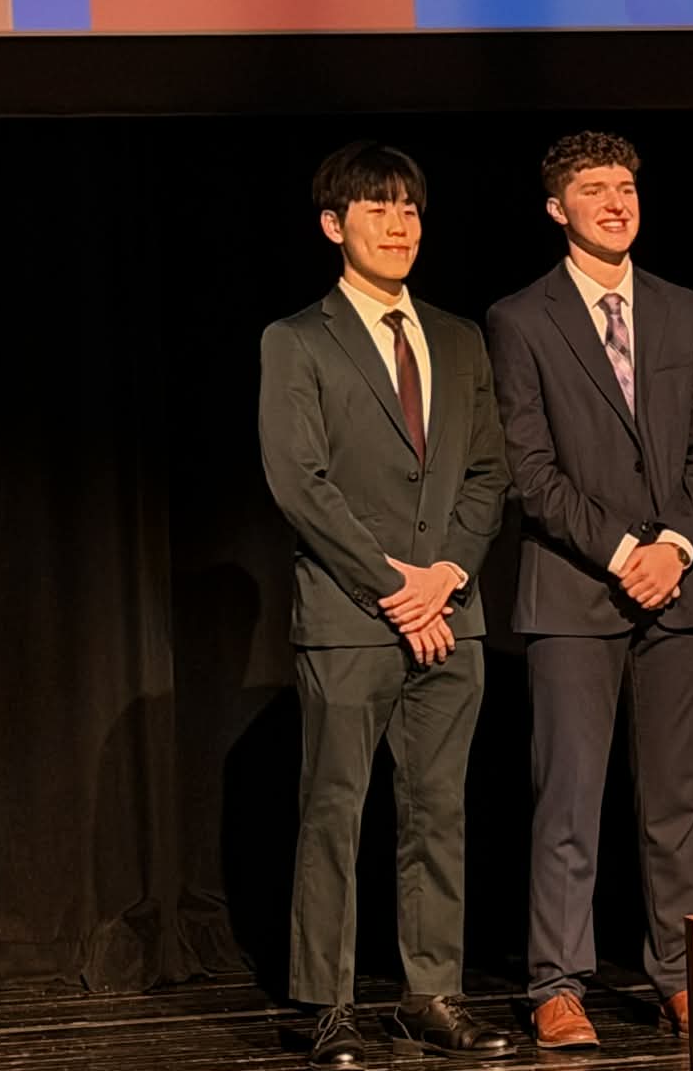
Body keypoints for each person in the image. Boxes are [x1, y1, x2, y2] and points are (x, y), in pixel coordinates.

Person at [258, 141, 513, 1066]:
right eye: (376, 208)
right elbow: (299, 481)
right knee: (336, 809)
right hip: (349, 618)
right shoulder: (297, 340)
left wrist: (446, 574)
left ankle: (430, 992)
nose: (398, 225)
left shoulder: (456, 335)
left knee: (438, 810)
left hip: (453, 613)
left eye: (409, 208)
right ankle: (325, 1001)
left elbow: (489, 472)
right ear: (334, 226)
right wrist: (394, 585)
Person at [487, 132, 693, 1047]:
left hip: (684, 590)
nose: (616, 202)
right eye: (595, 189)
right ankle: (558, 981)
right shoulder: (520, 318)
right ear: (558, 209)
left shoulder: (681, 309)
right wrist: (627, 548)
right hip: (576, 594)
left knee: (675, 806)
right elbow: (530, 469)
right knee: (570, 798)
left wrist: (673, 544)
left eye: (626, 186)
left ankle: (679, 973)